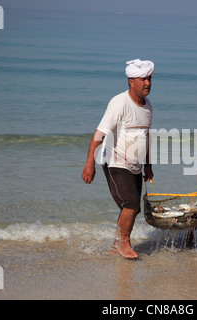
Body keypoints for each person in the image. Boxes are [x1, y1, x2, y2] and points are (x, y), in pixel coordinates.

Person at [81, 59, 154, 259]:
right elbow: (99, 133)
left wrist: (148, 165)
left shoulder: (148, 106)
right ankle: (124, 244)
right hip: (115, 161)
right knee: (131, 204)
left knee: (132, 208)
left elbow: (145, 137)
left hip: (136, 165)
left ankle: (116, 245)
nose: (147, 83)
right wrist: (90, 163)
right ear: (131, 81)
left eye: (149, 78)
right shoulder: (119, 102)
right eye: (143, 79)